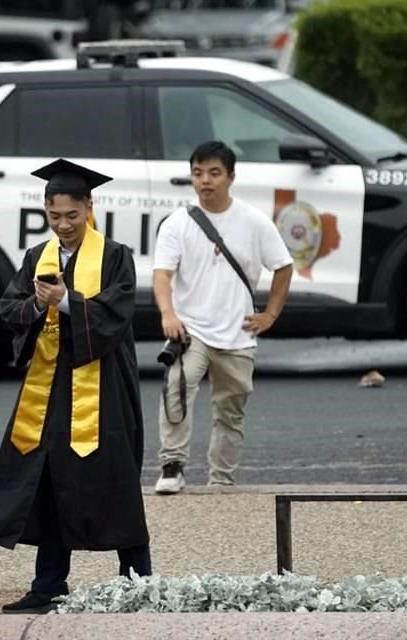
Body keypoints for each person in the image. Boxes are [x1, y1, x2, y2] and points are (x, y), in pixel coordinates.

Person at [0, 158, 151, 615]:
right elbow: (8, 307)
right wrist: (37, 307)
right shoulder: (37, 258)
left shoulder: (115, 256)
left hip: (103, 388)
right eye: (54, 216)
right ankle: (48, 585)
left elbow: (116, 317)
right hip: (50, 388)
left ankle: (138, 583)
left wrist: (67, 302)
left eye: (72, 216)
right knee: (50, 478)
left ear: (89, 207)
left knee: (114, 479)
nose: (63, 225)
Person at [153, 140, 294, 494]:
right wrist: (168, 313)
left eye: (214, 173)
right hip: (191, 330)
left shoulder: (253, 221)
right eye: (198, 173)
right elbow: (162, 275)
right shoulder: (177, 223)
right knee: (176, 388)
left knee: (230, 410)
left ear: (231, 176)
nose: (205, 180)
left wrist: (271, 314)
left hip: (238, 332)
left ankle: (222, 479)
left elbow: (283, 266)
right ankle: (172, 465)